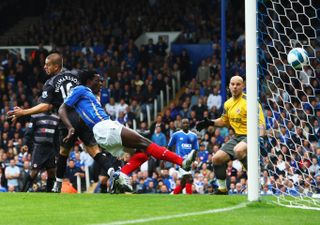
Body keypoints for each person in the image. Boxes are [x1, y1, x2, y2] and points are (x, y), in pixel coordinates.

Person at [59, 70, 196, 192]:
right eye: (97, 80)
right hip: (105, 127)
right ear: (89, 81)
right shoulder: (81, 89)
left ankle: (121, 175)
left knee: (144, 153)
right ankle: (182, 162)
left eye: (102, 80)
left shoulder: (89, 96)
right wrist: (70, 127)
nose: (101, 82)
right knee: (145, 143)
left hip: (102, 131)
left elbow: (84, 117)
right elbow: (62, 109)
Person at [7, 53, 118, 193]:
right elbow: (95, 78)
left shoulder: (51, 82)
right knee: (95, 151)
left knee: (63, 153)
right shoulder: (77, 74)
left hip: (66, 119)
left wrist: (24, 112)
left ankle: (57, 185)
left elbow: (45, 106)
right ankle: (113, 172)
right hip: (83, 116)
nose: (45, 67)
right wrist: (97, 96)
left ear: (56, 66)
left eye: (48, 65)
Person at [196, 75, 266, 194]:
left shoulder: (250, 101)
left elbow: (261, 123)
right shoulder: (228, 104)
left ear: (243, 86)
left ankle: (256, 176)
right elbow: (224, 121)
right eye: (232, 84)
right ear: (229, 86)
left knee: (238, 150)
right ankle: (222, 189)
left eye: (238, 84)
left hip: (252, 136)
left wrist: (260, 137)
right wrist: (210, 122)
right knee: (216, 159)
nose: (235, 87)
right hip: (238, 137)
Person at [21, 112, 60, 192]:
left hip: (50, 149)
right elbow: (28, 133)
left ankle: (49, 193)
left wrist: (57, 152)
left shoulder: (56, 118)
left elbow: (56, 137)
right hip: (38, 148)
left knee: (51, 172)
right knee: (34, 172)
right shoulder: (35, 117)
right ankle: (23, 191)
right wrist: (25, 144)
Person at [168, 118, 199, 194]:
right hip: (179, 161)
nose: (185, 124)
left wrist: (194, 161)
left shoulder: (193, 136)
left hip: (189, 161)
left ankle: (172, 195)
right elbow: (169, 147)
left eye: (187, 123)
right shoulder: (176, 135)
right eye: (184, 123)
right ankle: (189, 198)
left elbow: (195, 150)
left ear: (189, 124)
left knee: (183, 184)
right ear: (181, 125)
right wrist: (173, 158)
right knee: (190, 179)